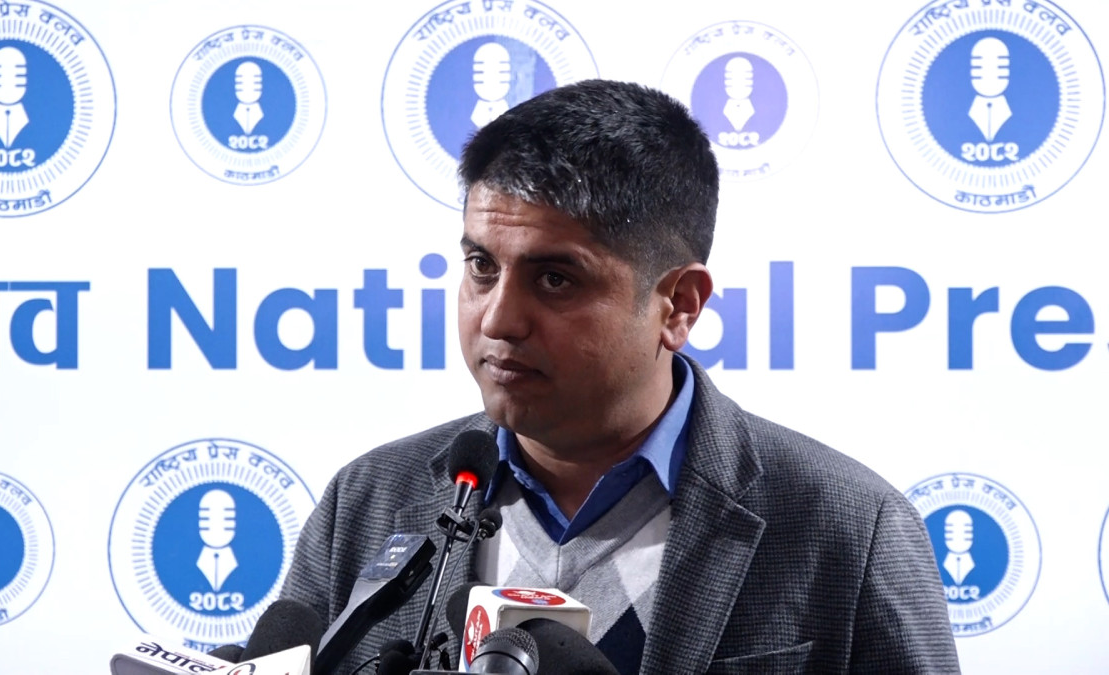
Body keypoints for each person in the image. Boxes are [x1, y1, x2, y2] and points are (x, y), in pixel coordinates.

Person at [280, 79, 960, 674]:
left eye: (555, 278)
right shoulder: (366, 504)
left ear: (679, 304)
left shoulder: (850, 531)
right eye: (482, 266)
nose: (499, 318)